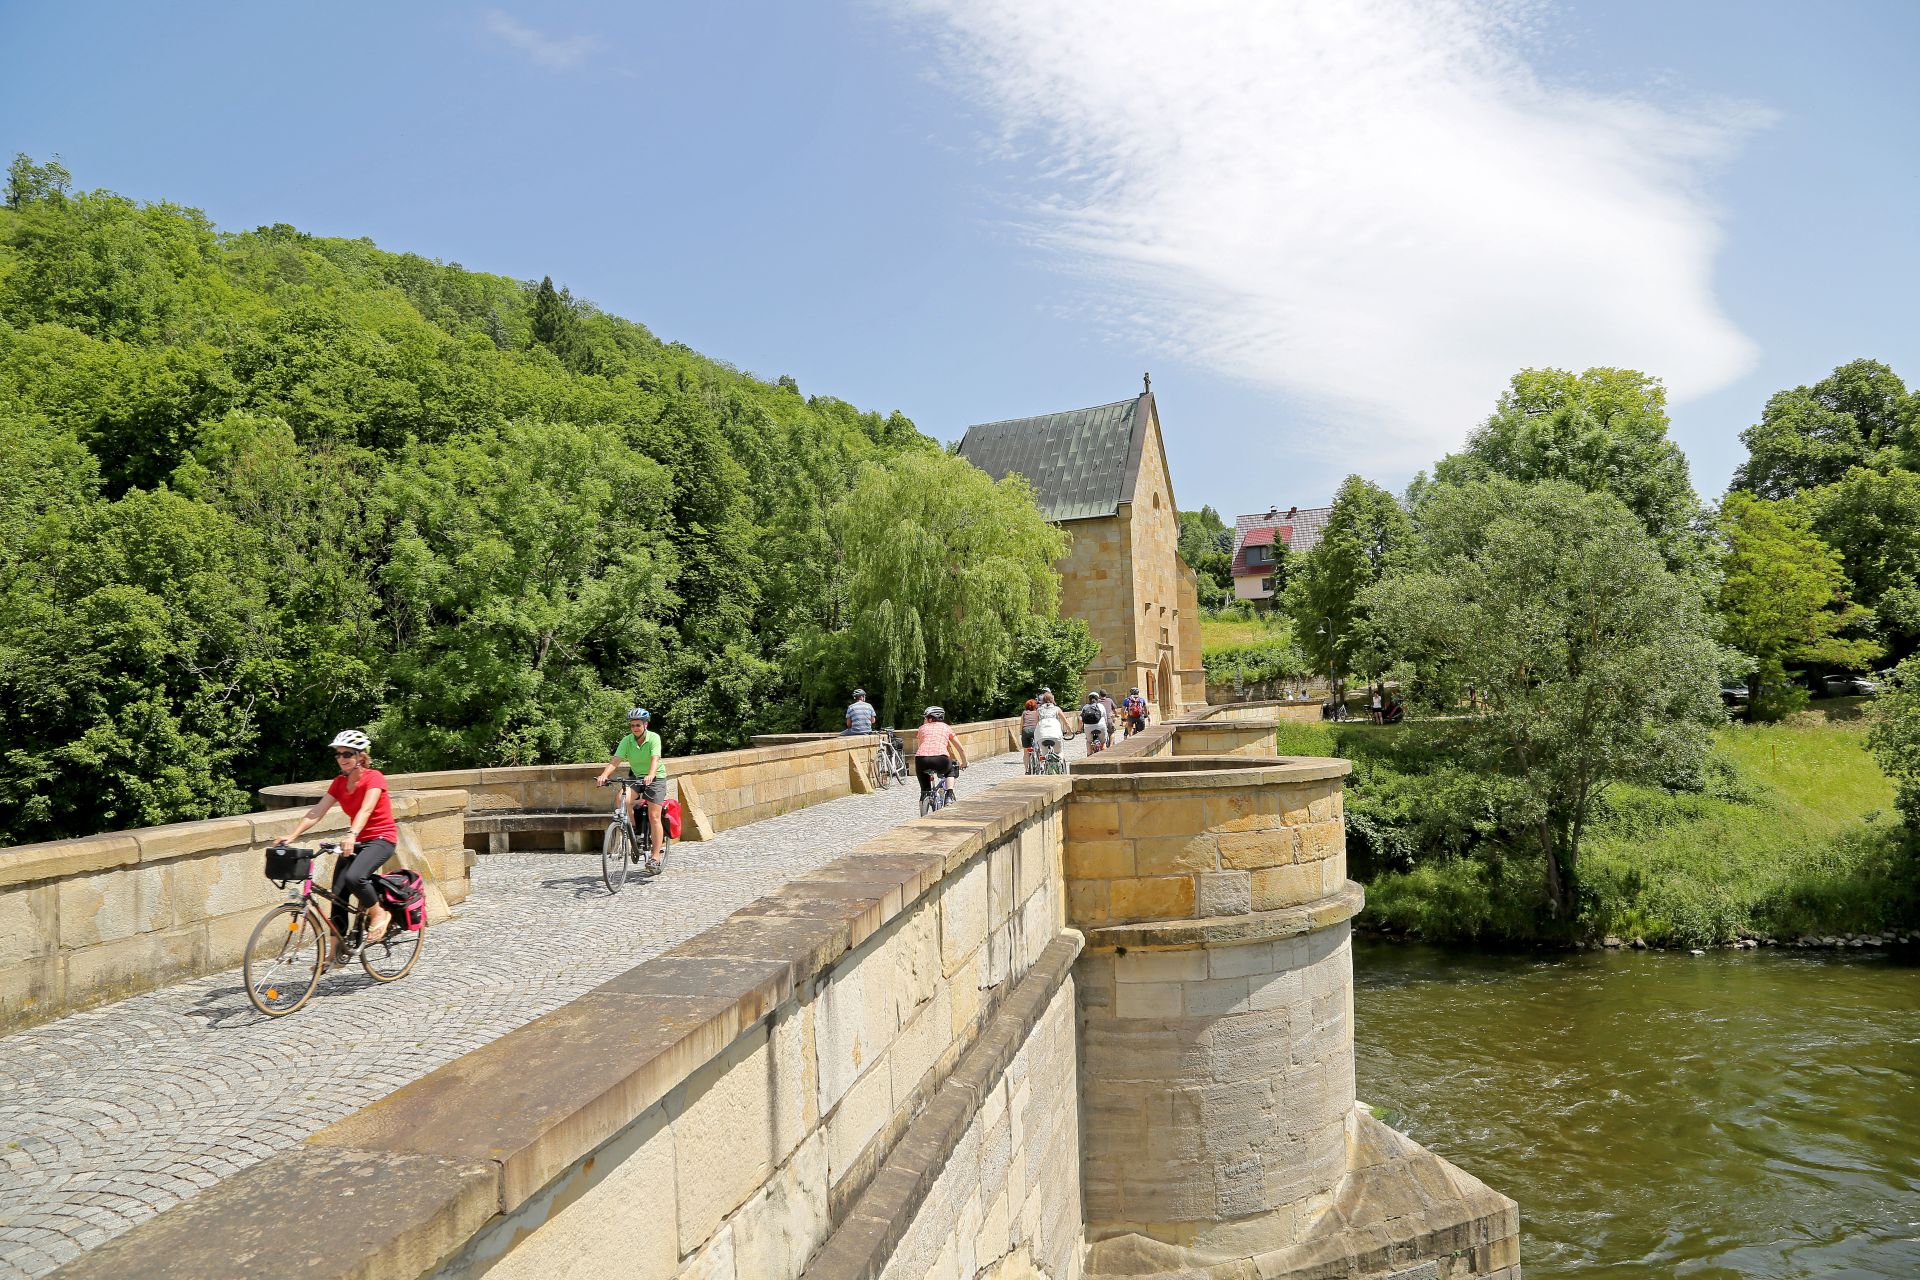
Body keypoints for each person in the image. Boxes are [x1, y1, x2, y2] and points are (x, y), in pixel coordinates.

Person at [277, 730, 399, 961]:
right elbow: (317, 811)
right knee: (338, 896)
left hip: (381, 839)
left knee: (355, 878)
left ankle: (379, 913)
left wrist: (352, 833)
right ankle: (334, 954)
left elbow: (366, 809)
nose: (342, 758)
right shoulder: (339, 783)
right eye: (339, 754)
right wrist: (291, 836)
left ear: (361, 757)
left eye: (348, 754)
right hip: (356, 841)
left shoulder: (375, 778)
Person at [595, 708, 669, 873]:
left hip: (655, 778)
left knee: (654, 816)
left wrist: (651, 774)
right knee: (620, 798)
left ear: (645, 725)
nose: (635, 728)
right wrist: (603, 775)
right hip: (636, 777)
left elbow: (655, 759)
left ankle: (655, 857)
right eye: (632, 725)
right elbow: (615, 761)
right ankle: (634, 829)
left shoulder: (653, 738)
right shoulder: (627, 741)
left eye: (638, 725)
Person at [913, 706, 968, 801]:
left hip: (921, 760)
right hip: (941, 759)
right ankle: (949, 795)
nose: (924, 720)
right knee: (950, 770)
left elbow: (920, 746)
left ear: (930, 718)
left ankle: (924, 800)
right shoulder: (946, 728)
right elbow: (960, 748)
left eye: (925, 718)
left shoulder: (921, 728)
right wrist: (964, 762)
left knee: (925, 790)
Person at [1034, 697, 1068, 764]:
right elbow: (1066, 722)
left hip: (1041, 736)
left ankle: (1043, 767)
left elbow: (1036, 724)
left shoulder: (1039, 710)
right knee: (1059, 752)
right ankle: (1061, 766)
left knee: (1044, 754)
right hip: (1055, 736)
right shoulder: (1057, 709)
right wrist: (1070, 732)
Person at [1019, 697, 1040, 767]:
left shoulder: (1024, 713)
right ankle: (1039, 764)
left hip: (1025, 731)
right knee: (1039, 748)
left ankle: (1026, 770)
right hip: (1035, 730)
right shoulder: (1037, 713)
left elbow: (1021, 724)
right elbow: (1039, 723)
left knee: (1026, 752)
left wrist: (1021, 733)